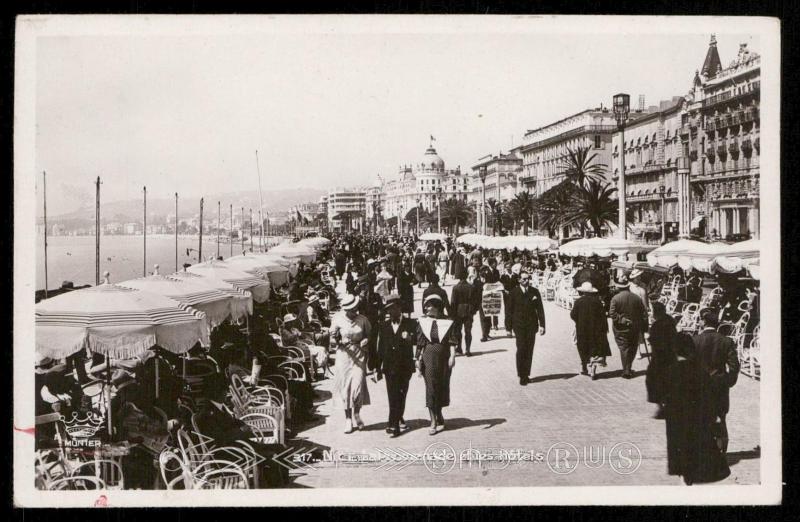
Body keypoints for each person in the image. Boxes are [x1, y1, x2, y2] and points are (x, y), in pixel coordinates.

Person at [664, 332, 731, 485]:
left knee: (680, 449)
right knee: (696, 446)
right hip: (697, 418)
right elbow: (708, 396)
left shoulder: (670, 370)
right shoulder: (700, 371)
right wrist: (715, 415)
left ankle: (684, 478)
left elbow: (665, 396)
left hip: (677, 420)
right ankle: (692, 474)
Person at [692, 308, 741, 455]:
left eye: (700, 319)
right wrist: (727, 381)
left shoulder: (694, 341)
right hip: (720, 386)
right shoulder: (726, 341)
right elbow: (734, 366)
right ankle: (721, 449)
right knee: (720, 416)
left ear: (703, 321)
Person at [374, 295, 416, 437]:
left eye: (392, 309)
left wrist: (411, 339)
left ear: (399, 308)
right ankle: (393, 424)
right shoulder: (384, 326)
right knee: (392, 395)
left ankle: (397, 417)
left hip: (405, 366)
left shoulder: (411, 323)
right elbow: (381, 348)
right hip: (389, 367)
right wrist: (377, 367)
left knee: (402, 394)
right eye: (387, 310)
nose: (389, 312)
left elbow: (418, 341)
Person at [329, 294, 372, 434]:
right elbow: (332, 339)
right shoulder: (337, 319)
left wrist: (366, 340)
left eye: (356, 308)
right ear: (346, 310)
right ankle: (348, 419)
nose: (355, 311)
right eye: (352, 309)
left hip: (359, 355)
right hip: (344, 356)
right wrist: (336, 341)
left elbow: (370, 335)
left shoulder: (363, 320)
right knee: (345, 387)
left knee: (358, 386)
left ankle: (357, 414)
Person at [415, 294, 457, 435]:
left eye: (429, 305)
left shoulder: (448, 322)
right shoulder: (423, 322)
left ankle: (439, 414)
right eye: (425, 306)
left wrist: (453, 356)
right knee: (431, 388)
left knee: (442, 386)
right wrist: (417, 359)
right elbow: (420, 343)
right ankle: (432, 420)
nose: (426, 308)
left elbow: (452, 341)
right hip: (428, 358)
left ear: (437, 306)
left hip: (444, 358)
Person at [506, 270, 546, 385]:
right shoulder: (513, 293)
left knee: (529, 350)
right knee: (521, 348)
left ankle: (527, 373)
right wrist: (508, 328)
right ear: (519, 280)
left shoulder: (534, 292)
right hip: (518, 325)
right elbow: (509, 311)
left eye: (528, 278)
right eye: (523, 279)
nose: (526, 281)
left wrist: (542, 325)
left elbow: (540, 309)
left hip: (531, 325)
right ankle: (521, 375)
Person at [570, 281, 611, 378]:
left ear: (583, 292)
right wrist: (605, 328)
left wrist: (579, 321)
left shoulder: (578, 302)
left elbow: (573, 315)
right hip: (595, 329)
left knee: (582, 347)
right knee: (594, 347)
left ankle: (584, 367)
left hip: (582, 329)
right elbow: (602, 316)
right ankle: (593, 367)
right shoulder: (597, 302)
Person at [609, 274, 647, 379]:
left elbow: (612, 314)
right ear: (628, 286)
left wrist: (622, 320)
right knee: (633, 347)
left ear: (619, 287)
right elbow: (643, 313)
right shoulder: (636, 298)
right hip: (635, 327)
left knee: (624, 348)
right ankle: (628, 368)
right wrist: (644, 327)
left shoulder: (615, 299)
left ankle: (626, 370)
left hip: (620, 328)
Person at [646, 301, 678, 418]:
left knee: (654, 380)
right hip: (671, 357)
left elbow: (654, 340)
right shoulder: (670, 321)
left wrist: (649, 339)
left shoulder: (658, 325)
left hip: (660, 358)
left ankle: (661, 406)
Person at [450, 269, 477, 356]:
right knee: (468, 331)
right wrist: (474, 310)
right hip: (469, 310)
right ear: (466, 276)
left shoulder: (456, 288)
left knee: (458, 331)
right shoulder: (471, 287)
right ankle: (468, 349)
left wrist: (452, 314)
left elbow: (453, 302)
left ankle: (459, 347)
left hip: (458, 311)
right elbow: (475, 301)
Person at [629, 269, 651, 359]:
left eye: (640, 276)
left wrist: (648, 307)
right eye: (638, 276)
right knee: (637, 332)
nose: (639, 277)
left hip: (644, 311)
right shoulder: (630, 287)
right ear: (634, 278)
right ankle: (638, 351)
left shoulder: (643, 285)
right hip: (635, 312)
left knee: (644, 330)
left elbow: (646, 297)